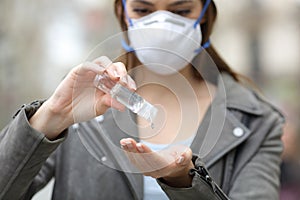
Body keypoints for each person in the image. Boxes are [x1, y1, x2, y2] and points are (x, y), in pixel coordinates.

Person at [0, 0, 285, 199]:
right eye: (143, 9)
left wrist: (184, 184)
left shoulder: (257, 122)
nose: (161, 23)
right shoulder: (82, 110)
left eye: (181, 9)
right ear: (123, 13)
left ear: (205, 15)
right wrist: (51, 116)